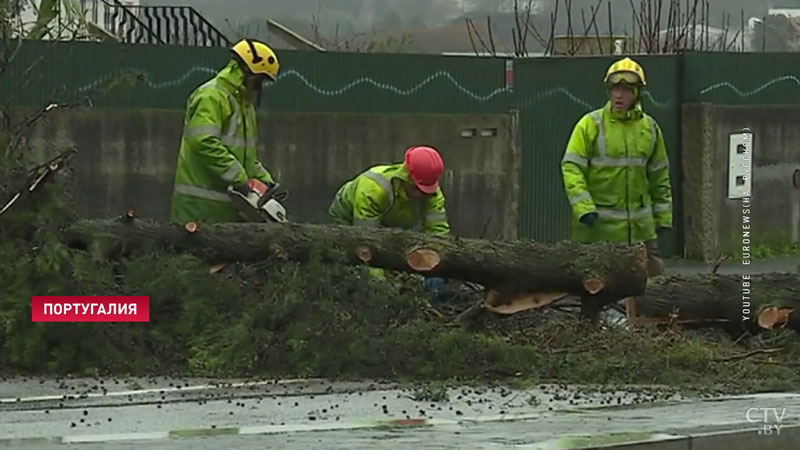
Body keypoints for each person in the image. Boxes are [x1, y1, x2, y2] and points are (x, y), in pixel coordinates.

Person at [560, 57, 673, 320]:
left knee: (653, 289)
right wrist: (583, 207)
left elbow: (660, 177)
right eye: (615, 89)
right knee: (598, 295)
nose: (619, 95)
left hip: (641, 234)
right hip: (599, 232)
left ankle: (652, 333)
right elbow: (571, 168)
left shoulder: (650, 129)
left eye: (626, 90)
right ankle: (593, 341)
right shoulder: (590, 125)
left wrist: (663, 217)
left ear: (637, 93)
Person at [170, 38, 281, 224]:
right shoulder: (211, 96)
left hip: (226, 210)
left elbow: (248, 158)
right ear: (246, 72)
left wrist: (266, 182)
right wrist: (240, 179)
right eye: (259, 80)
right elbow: (203, 142)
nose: (259, 88)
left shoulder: (245, 107)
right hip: (198, 208)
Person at [328, 145, 450, 296]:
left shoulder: (432, 195)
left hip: (392, 220)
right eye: (416, 188)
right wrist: (380, 287)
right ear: (405, 177)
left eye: (425, 191)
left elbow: (437, 232)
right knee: (350, 264)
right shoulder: (373, 189)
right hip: (348, 219)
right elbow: (366, 243)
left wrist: (437, 270)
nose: (420, 195)